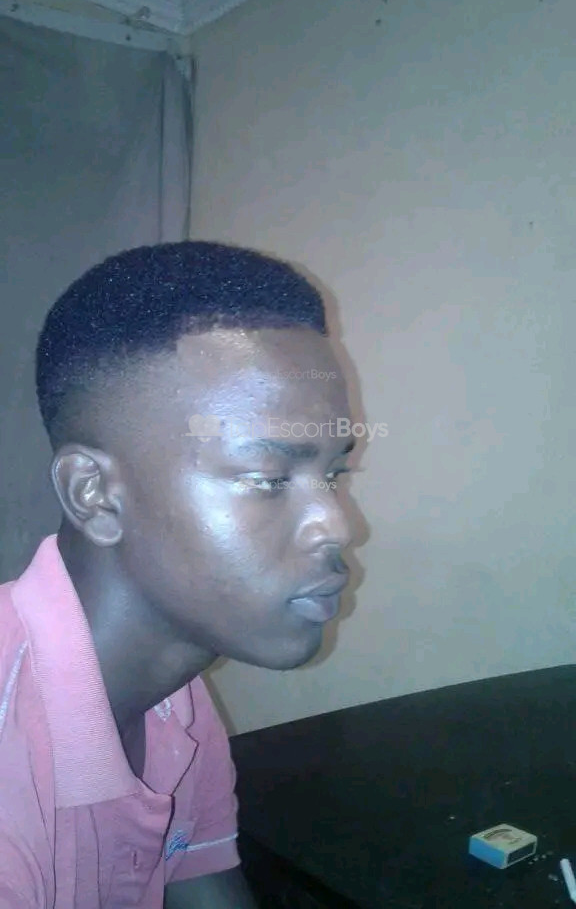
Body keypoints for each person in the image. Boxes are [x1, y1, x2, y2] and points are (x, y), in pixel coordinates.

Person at [0, 241, 354, 907]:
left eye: (333, 474)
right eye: (267, 476)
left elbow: (203, 887)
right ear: (94, 495)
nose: (336, 526)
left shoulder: (173, 699)